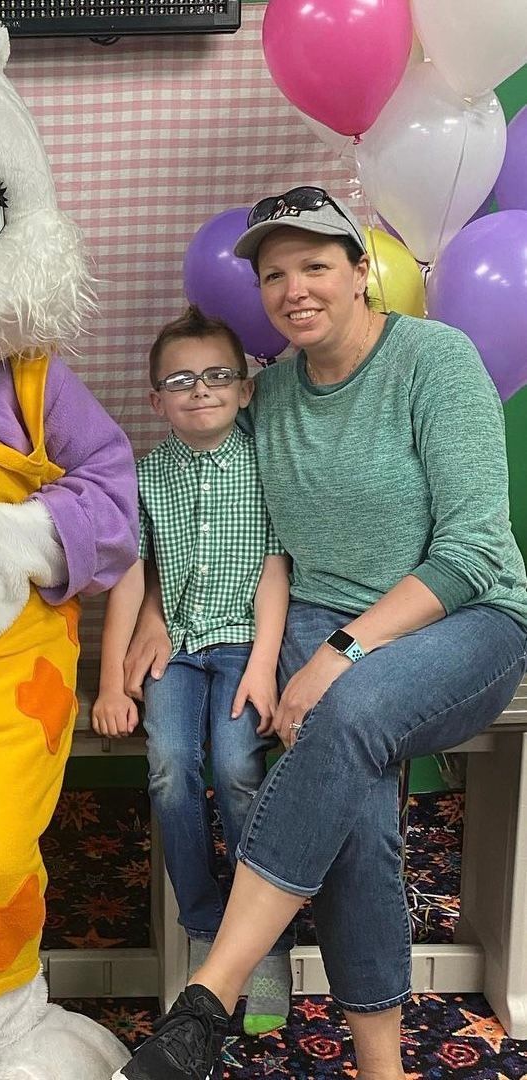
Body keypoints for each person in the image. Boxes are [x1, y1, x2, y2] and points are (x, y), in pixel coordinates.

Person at [113, 186, 527, 1080]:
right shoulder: (266, 398)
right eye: (274, 275)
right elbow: (207, 516)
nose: (294, 289)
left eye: (315, 265)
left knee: (347, 714)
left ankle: (211, 995)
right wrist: (153, 609)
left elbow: (471, 552)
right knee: (359, 805)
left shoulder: (434, 360)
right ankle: (381, 1068)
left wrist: (343, 654)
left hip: (467, 619)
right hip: (316, 614)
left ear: (360, 269)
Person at [91, 304, 292, 1035]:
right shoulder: (145, 477)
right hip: (174, 649)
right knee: (170, 767)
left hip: (243, 647)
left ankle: (259, 940)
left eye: (216, 376)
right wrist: (111, 682)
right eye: (180, 380)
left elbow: (275, 570)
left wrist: (265, 666)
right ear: (156, 401)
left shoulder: (269, 466)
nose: (200, 390)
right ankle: (208, 926)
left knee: (238, 768)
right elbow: (129, 582)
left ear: (244, 388)